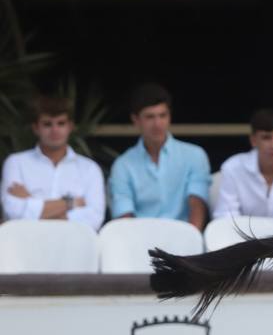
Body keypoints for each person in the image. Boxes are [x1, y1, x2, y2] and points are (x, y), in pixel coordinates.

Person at [108, 83, 211, 229]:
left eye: (163, 115)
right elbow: (124, 216)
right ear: (135, 120)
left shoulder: (195, 155)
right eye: (150, 117)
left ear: (169, 116)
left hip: (184, 240)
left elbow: (197, 206)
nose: (158, 124)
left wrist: (190, 243)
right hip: (139, 242)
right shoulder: (122, 164)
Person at [1, 95, 106, 230]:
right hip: (26, 244)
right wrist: (70, 203)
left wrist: (30, 200)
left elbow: (94, 219)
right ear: (36, 128)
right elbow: (12, 213)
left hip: (73, 245)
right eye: (47, 124)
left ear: (70, 126)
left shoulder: (89, 168)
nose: (55, 130)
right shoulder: (16, 163)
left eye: (61, 123)